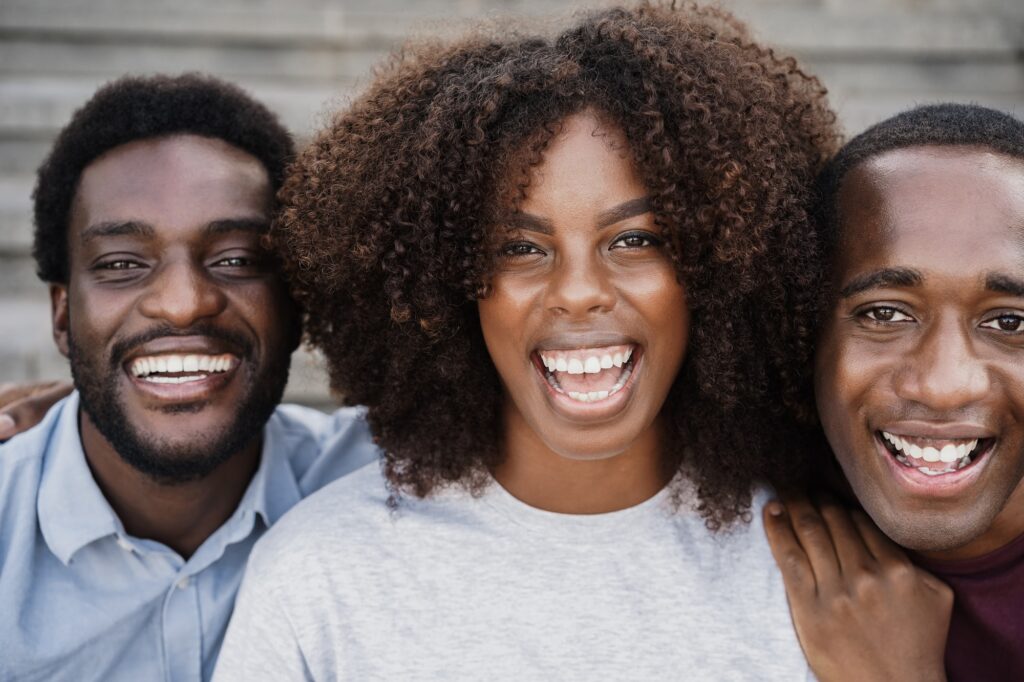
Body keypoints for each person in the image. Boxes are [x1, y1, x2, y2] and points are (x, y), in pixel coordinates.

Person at [213, 4, 845, 679]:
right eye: (519, 247)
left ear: (723, 265)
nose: (578, 290)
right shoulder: (319, 576)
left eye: (635, 240)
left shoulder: (822, 582)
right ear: (447, 283)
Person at [0, 73, 377, 682]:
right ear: (63, 317)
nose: (182, 304)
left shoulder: (382, 484)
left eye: (236, 260)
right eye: (122, 264)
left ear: (296, 308)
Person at [764, 103, 1024, 681]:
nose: (943, 385)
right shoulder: (744, 519)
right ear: (803, 330)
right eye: (885, 313)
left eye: (1009, 323)